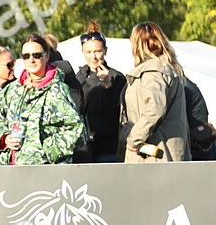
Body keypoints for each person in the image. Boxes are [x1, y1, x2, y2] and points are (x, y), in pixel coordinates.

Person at [0, 34, 85, 165]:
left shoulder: (58, 90)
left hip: (47, 172)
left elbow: (77, 130)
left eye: (37, 55)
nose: (31, 60)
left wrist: (46, 151)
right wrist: (3, 138)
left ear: (47, 56)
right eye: (26, 56)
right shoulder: (11, 90)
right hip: (12, 169)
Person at [118, 22, 191, 162]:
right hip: (166, 152)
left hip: (154, 156)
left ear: (137, 44)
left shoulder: (152, 72)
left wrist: (134, 139)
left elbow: (156, 108)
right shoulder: (167, 69)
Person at [75, 22, 126, 162]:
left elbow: (121, 112)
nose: (94, 57)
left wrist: (108, 85)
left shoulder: (117, 77)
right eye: (89, 52)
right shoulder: (78, 78)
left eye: (97, 51)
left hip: (108, 147)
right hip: (83, 147)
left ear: (105, 50)